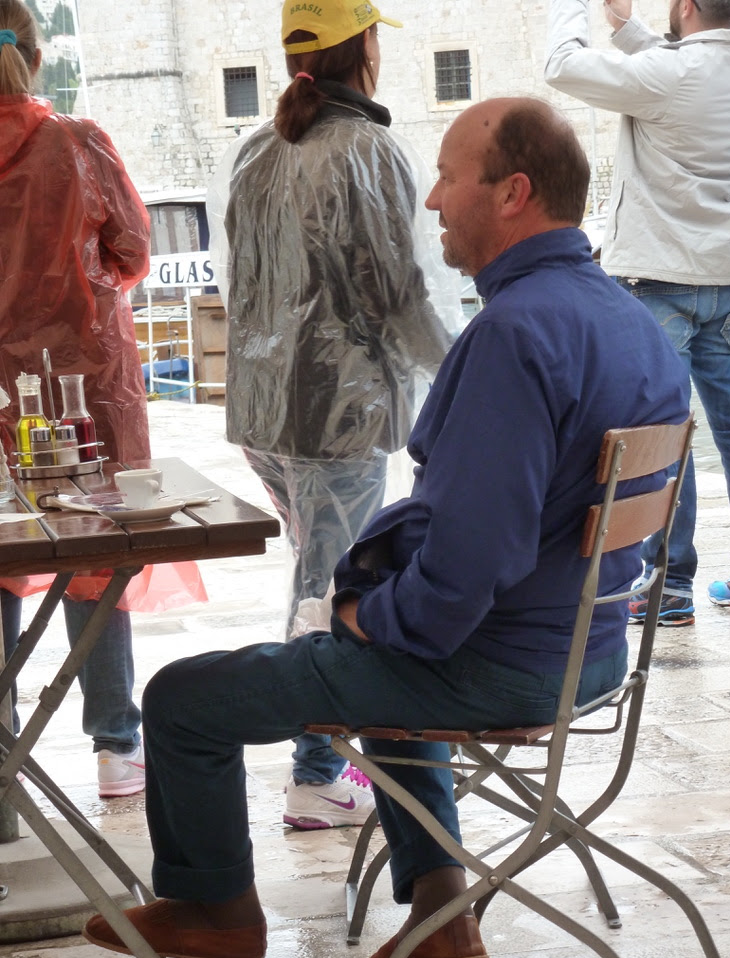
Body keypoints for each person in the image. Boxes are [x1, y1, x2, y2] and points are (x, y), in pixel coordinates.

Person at [82, 96, 689, 958]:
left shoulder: (514, 335)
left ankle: (216, 909)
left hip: (506, 663)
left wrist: (365, 618)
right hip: (593, 654)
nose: (432, 200)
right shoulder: (632, 322)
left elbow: (466, 572)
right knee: (391, 648)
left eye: (448, 177)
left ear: (513, 193)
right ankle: (443, 907)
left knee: (184, 696)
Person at [220, 0, 455, 828]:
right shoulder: (368, 150)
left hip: (265, 413)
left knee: (315, 573)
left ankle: (320, 762)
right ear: (366, 49)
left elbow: (239, 285)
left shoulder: (259, 148)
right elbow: (399, 292)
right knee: (328, 588)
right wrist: (462, 369)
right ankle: (316, 771)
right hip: (338, 414)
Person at [545, 0, 730, 624]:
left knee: (668, 431)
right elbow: (682, 72)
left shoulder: (668, 76)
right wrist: (628, 30)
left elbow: (561, 65)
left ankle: (669, 585)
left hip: (660, 275)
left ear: (686, 6)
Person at [1, 0, 147, 796]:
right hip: (86, 382)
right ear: (35, 54)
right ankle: (115, 744)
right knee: (98, 546)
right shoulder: (78, 142)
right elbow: (131, 248)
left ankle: (2, 755)